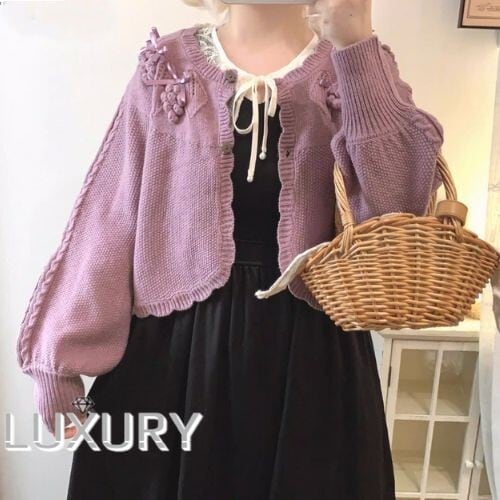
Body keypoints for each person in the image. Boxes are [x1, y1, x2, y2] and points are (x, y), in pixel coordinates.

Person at [16, 1, 444, 498]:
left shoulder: (356, 65)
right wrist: (59, 357)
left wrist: (356, 47)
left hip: (313, 363)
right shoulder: (168, 68)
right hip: (174, 359)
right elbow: (111, 216)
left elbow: (399, 209)